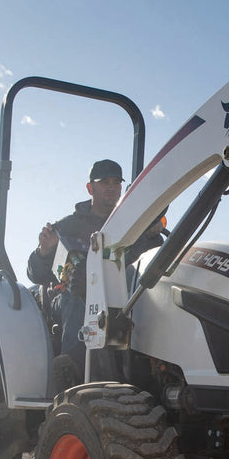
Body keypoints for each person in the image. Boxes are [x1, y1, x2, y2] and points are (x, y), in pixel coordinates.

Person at [27, 159, 163, 385]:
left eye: (116, 183)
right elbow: (37, 274)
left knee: (141, 287)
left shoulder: (133, 227)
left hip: (120, 296)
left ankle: (145, 373)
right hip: (70, 297)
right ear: (91, 188)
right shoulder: (67, 226)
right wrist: (45, 250)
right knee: (83, 285)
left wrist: (151, 235)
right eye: (104, 183)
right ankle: (73, 369)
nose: (111, 187)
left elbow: (146, 262)